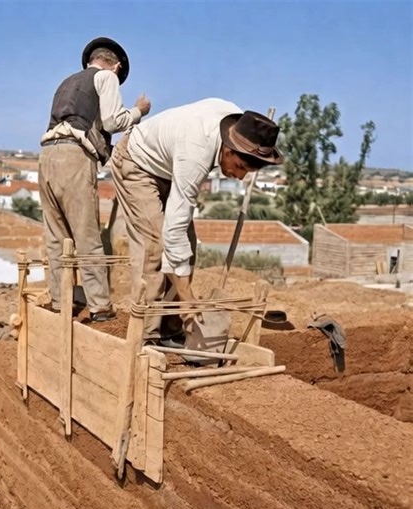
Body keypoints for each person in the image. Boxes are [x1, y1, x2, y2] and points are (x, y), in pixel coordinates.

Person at [110, 98, 283, 343]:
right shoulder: (197, 149)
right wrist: (187, 297)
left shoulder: (239, 125)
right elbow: (173, 229)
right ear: (228, 149)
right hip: (136, 163)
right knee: (155, 246)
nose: (240, 176)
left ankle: (172, 329)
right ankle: (145, 338)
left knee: (187, 247)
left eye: (248, 172)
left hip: (169, 168)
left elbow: (179, 235)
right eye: (240, 166)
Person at [39, 37, 151, 321]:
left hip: (46, 156)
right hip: (74, 158)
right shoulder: (106, 78)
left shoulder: (66, 82)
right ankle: (100, 306)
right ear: (116, 66)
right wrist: (138, 111)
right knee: (87, 234)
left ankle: (58, 300)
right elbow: (113, 121)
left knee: (57, 237)